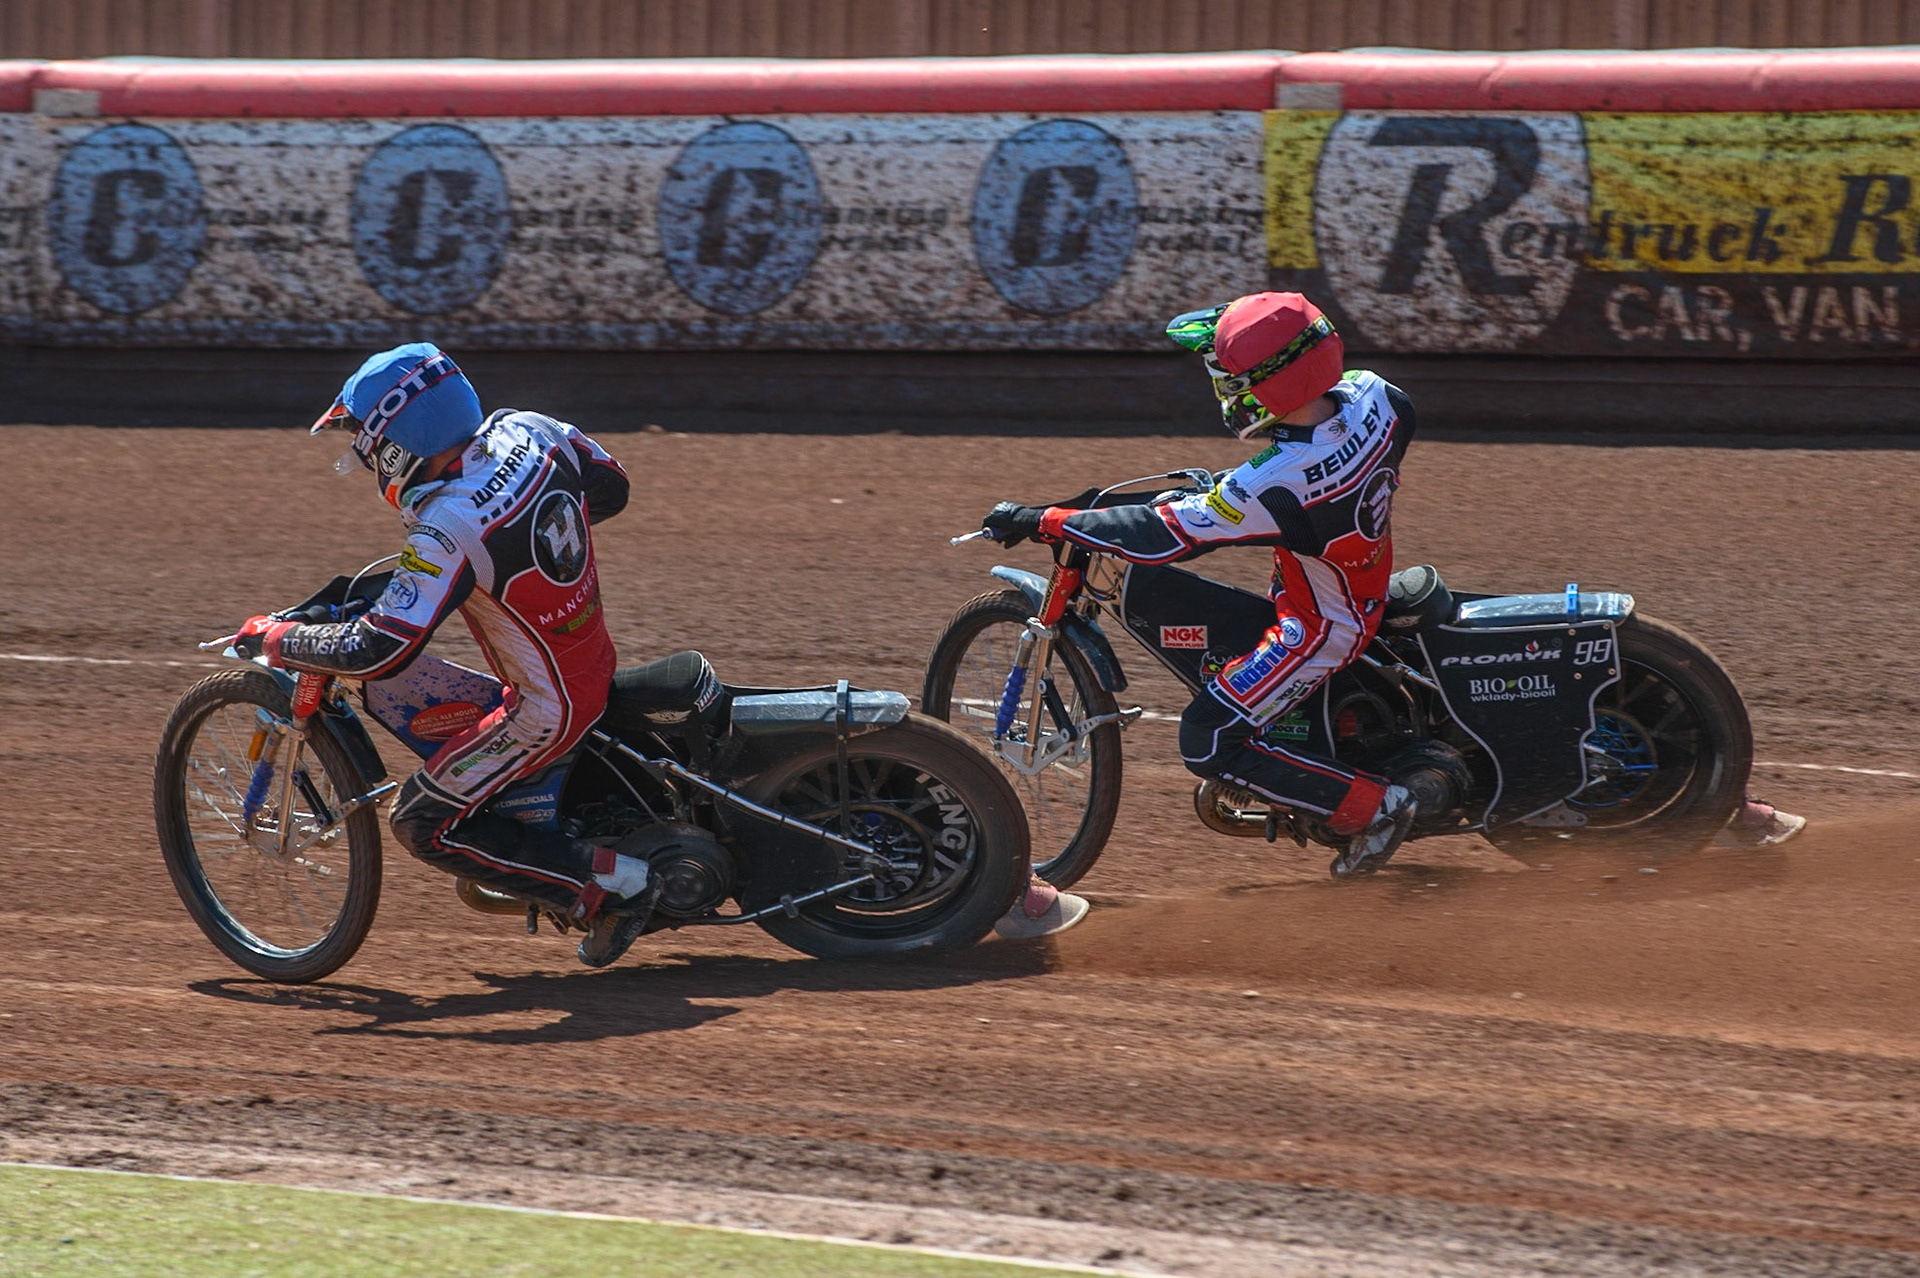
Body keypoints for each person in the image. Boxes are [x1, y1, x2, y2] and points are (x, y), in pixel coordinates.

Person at [232, 342, 661, 967]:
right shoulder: (529, 427)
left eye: (366, 439)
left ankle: (613, 887)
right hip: (589, 651)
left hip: (548, 708)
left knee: (419, 821)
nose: (370, 457)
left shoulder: (448, 525)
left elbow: (376, 647)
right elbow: (610, 487)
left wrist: (274, 638)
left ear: (397, 444)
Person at [983, 292, 1420, 877]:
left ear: (1266, 383)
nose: (1221, 385)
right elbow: (1308, 470)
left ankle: (1376, 808)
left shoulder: (1273, 484)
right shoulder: (1379, 397)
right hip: (1356, 576)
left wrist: (1045, 520)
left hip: (1322, 628)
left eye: (1227, 375)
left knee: (1209, 739)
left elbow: (1160, 536)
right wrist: (1232, 492)